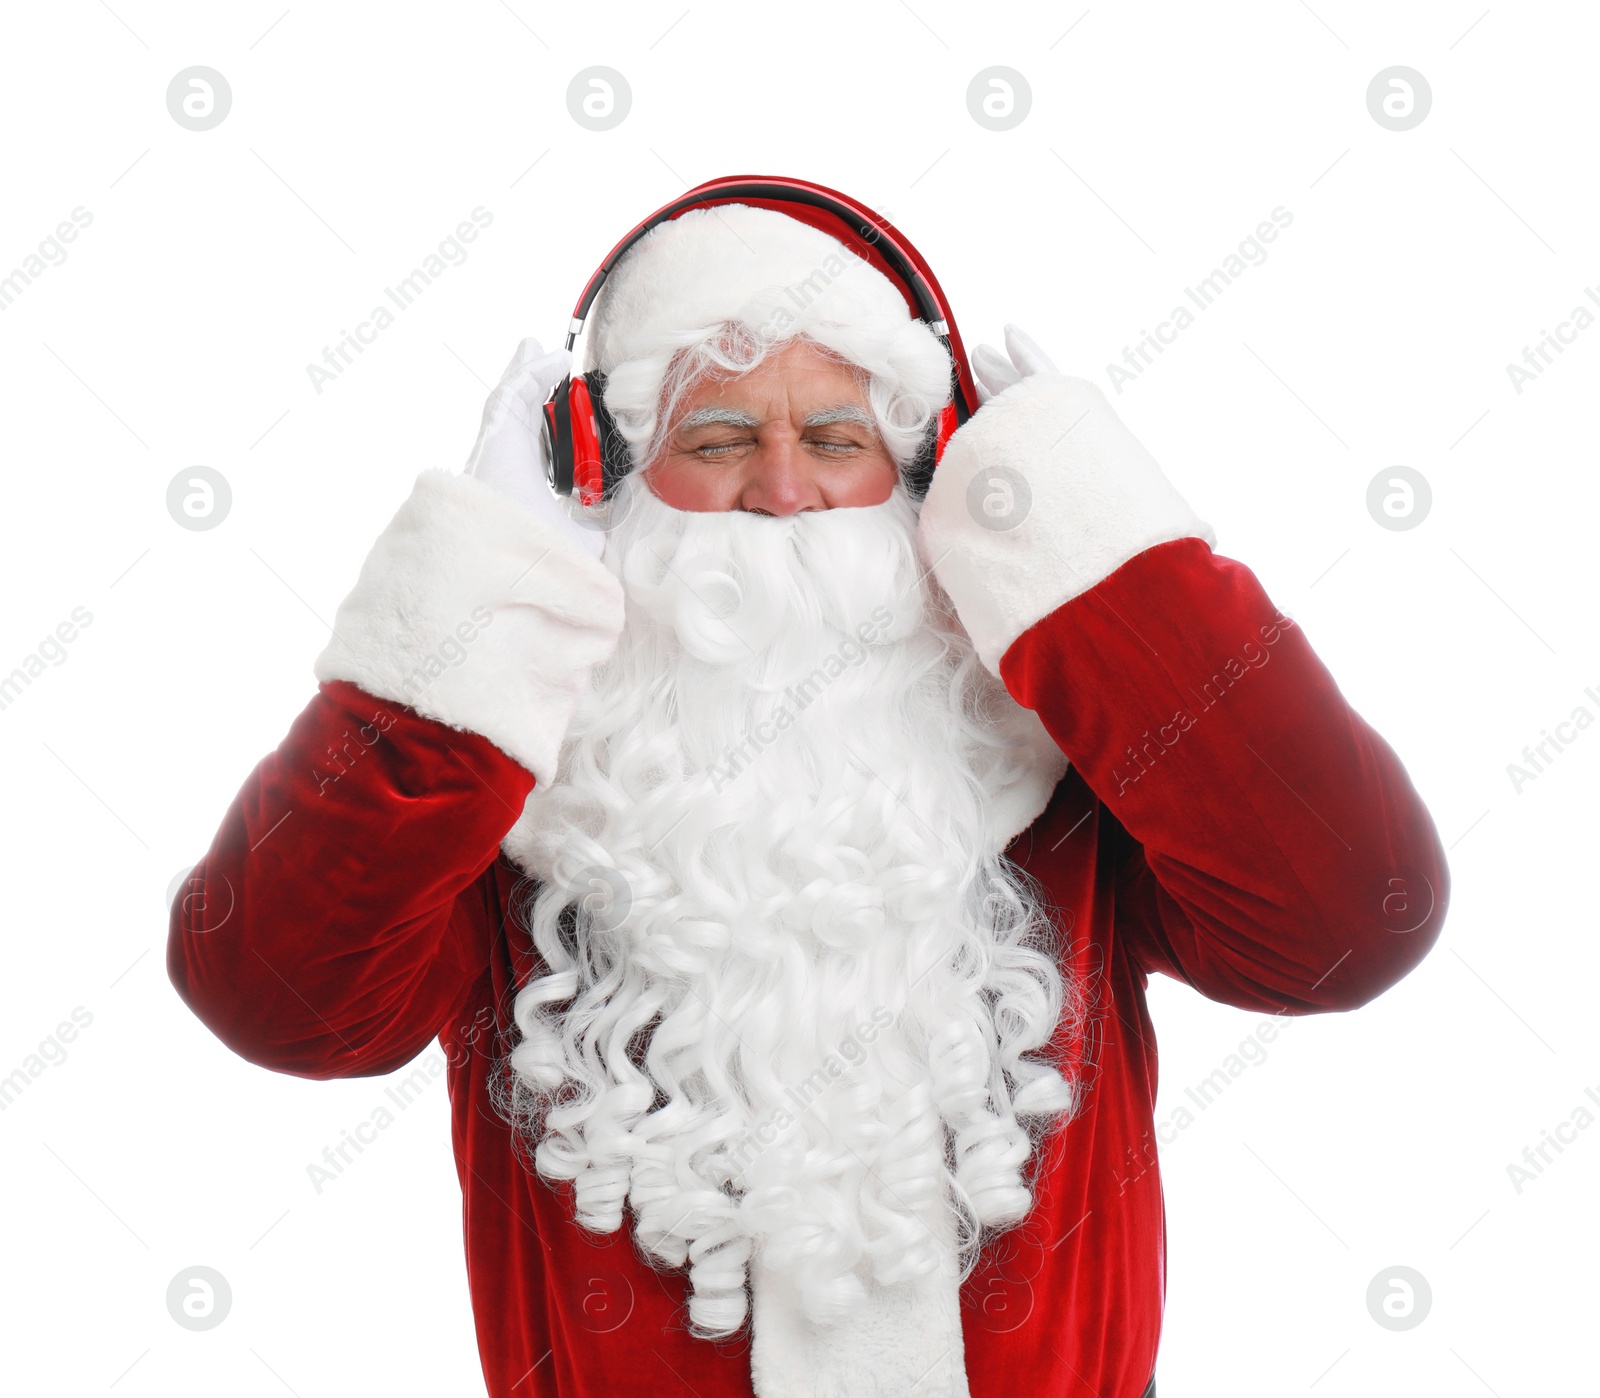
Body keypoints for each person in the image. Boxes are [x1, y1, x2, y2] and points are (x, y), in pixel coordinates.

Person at [168, 193, 1449, 1398]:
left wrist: (1102, 555)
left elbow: (1351, 918)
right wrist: (466, 615)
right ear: (598, 485)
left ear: (925, 476)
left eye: (838, 441)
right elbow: (270, 995)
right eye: (717, 440)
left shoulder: (1062, 776)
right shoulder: (502, 809)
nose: (783, 496)